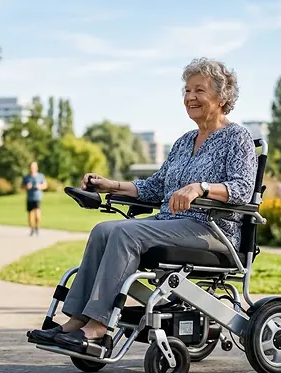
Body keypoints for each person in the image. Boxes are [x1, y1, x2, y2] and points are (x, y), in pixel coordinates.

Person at [28, 57, 258, 353]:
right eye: (187, 91)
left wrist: (200, 188)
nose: (190, 97)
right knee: (103, 230)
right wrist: (110, 185)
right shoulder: (184, 142)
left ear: (222, 96)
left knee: (125, 233)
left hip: (212, 230)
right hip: (171, 224)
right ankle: (76, 321)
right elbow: (155, 187)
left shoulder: (237, 138)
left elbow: (242, 189)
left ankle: (98, 328)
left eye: (199, 90)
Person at [21, 161, 47, 236]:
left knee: (37, 215)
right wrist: (26, 187)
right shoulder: (26, 177)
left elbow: (45, 185)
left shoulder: (40, 176)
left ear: (37, 168)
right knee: (30, 215)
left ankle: (37, 227)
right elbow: (22, 186)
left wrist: (40, 186)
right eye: (31, 167)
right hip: (30, 198)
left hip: (37, 197)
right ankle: (32, 228)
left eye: (34, 167)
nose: (32, 169)